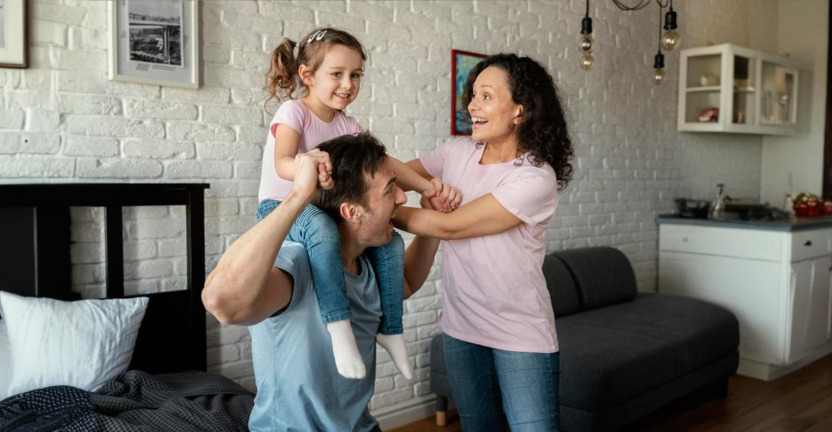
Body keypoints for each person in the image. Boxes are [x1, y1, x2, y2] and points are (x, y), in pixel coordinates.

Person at [256, 27, 459, 380]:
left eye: (355, 75)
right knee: (321, 228)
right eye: (337, 74)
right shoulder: (294, 112)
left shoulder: (348, 124)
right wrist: (308, 163)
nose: (347, 84)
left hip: (322, 208)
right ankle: (339, 327)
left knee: (392, 241)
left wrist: (429, 186)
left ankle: (391, 329)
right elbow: (282, 162)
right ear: (307, 75)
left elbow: (386, 163)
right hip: (281, 205)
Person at [204, 133, 441, 431]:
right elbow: (222, 302)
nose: (403, 198)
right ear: (351, 211)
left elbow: (404, 282)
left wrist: (434, 219)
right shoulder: (297, 264)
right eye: (390, 189)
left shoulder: (366, 263)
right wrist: (298, 196)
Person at [393, 54, 575, 431]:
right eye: (473, 95)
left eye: (486, 96)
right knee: (479, 426)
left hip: (519, 331)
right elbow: (392, 177)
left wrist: (375, 214)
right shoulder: (457, 152)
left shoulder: (534, 177)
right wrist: (427, 189)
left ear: (520, 111)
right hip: (461, 327)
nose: (472, 105)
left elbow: (452, 228)